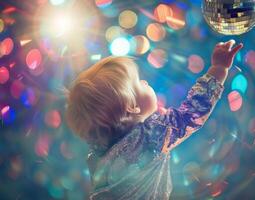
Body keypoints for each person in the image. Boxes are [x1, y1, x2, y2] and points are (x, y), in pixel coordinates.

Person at [65, 39, 243, 200]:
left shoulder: (99, 157)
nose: (145, 83)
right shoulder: (151, 136)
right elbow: (191, 114)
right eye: (139, 82)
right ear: (132, 107)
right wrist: (219, 69)